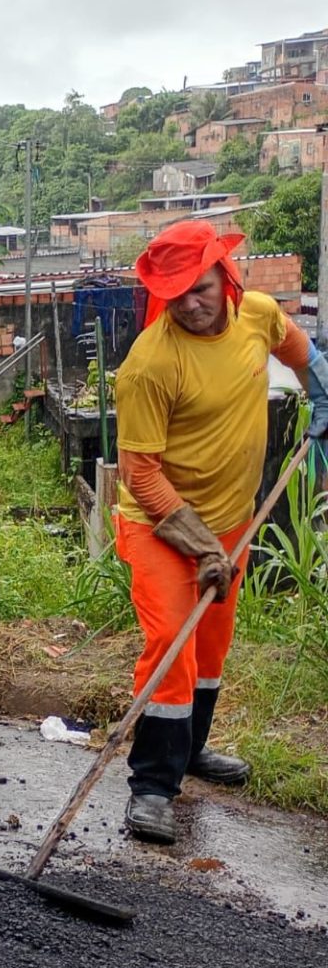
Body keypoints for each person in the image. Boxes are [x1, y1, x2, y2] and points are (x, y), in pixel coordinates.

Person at [115, 221, 328, 844]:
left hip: (232, 519)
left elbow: (300, 351)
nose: (189, 303)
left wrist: (321, 387)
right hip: (160, 527)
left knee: (210, 648)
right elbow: (141, 475)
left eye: (200, 288)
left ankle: (191, 752)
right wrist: (203, 546)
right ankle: (153, 787)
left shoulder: (258, 315)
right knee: (172, 648)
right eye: (176, 294)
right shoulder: (149, 364)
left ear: (227, 278)